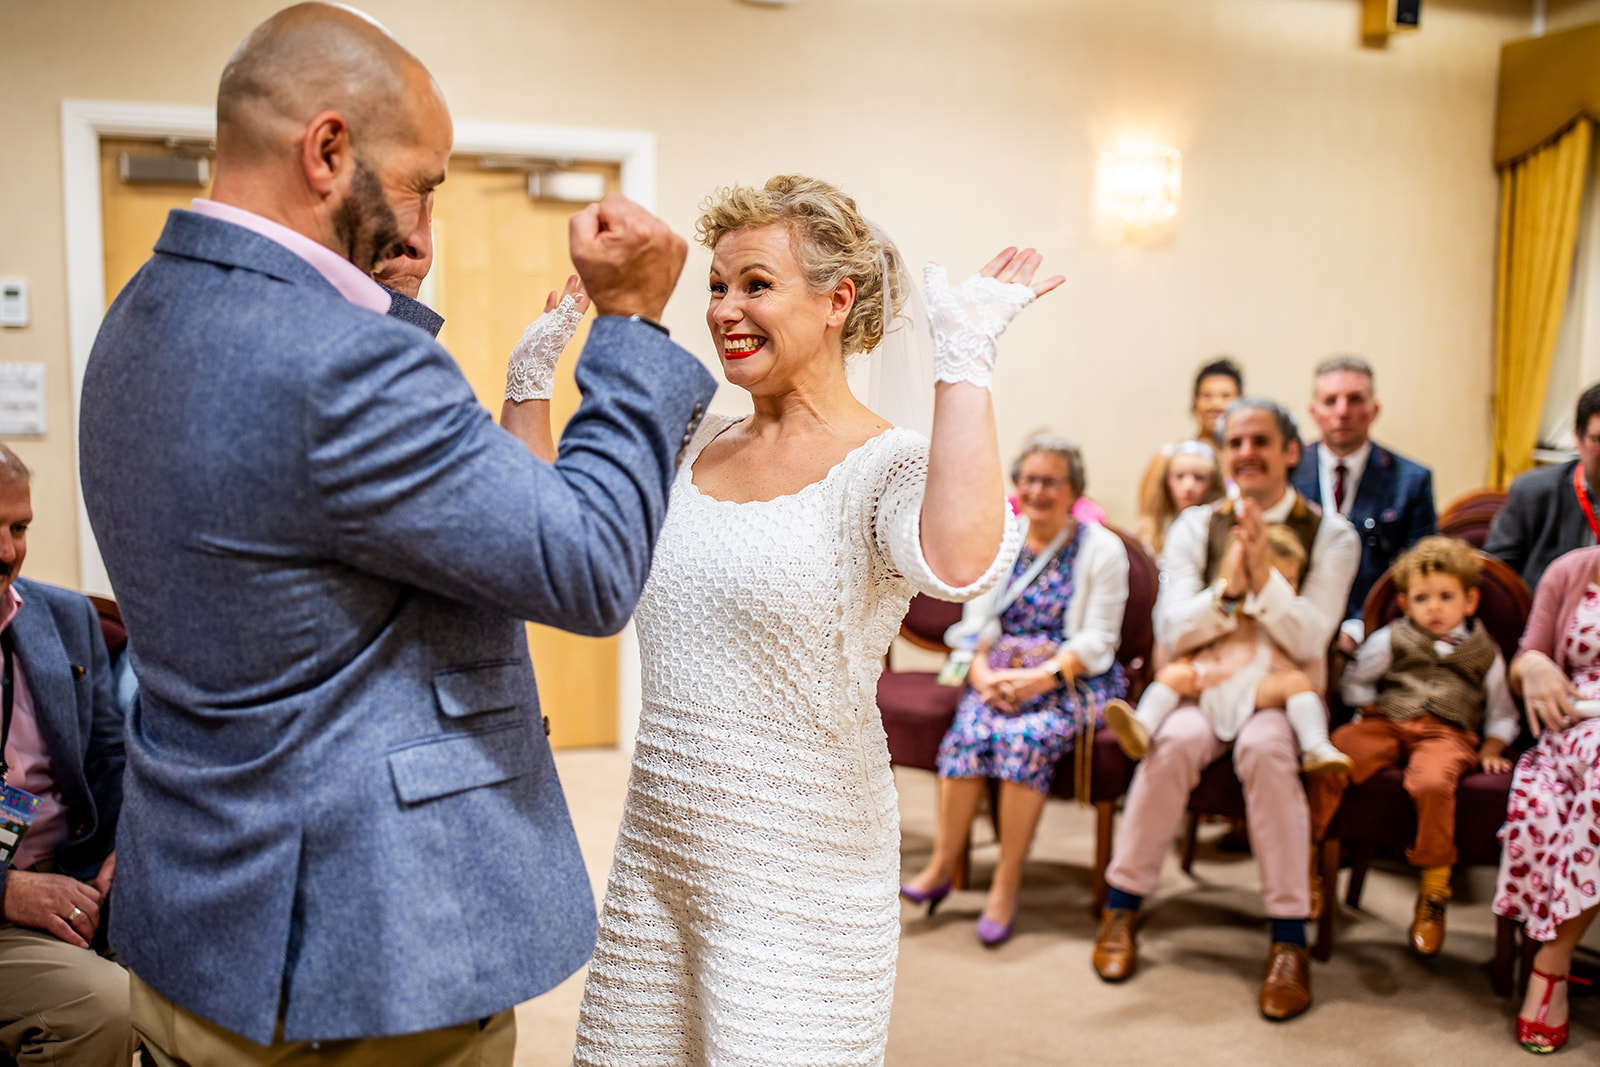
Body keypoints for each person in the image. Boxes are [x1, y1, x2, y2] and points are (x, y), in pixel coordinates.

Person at [77, 5, 718, 1063]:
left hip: (198, 916)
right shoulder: (339, 363)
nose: (423, 224)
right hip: (359, 953)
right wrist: (633, 327)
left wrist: (381, 296)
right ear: (328, 150)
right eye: (422, 182)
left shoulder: (142, 311)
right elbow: (592, 565)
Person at [552, 175, 1049, 1065]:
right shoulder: (691, 438)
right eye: (716, 284)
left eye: (755, 283)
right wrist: (529, 377)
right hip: (665, 845)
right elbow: (555, 538)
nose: (724, 309)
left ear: (836, 301)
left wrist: (964, 361)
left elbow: (962, 560)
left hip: (802, 861)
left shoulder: (883, 464)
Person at [1092, 397, 1358, 1023]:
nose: (1246, 454)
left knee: (1268, 752)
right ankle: (1121, 905)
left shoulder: (1332, 534)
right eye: (1235, 442)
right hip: (1201, 681)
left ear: (1291, 452)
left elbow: (1313, 636)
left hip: (1279, 686)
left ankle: (1289, 939)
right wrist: (1232, 588)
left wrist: (1264, 575)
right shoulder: (1195, 526)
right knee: (1172, 744)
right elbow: (1173, 629)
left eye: (1260, 441)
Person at [899, 435, 1129, 947]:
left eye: (1050, 481)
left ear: (1074, 490)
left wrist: (1040, 680)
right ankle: (941, 865)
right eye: (1028, 479)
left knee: (1023, 738)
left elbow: (1099, 639)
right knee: (970, 733)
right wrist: (980, 673)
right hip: (999, 675)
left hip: (1072, 679)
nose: (1037, 490)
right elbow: (976, 622)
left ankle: (1006, 881)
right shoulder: (1002, 539)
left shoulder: (1102, 548)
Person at [1306, 536, 1518, 957]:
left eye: (1446, 596)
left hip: (1448, 732)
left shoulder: (1486, 652)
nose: (1434, 607)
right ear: (1404, 603)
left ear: (1470, 601)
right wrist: (1367, 712)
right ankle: (1309, 861)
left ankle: (1434, 892)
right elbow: (1358, 681)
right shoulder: (1391, 638)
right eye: (1422, 598)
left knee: (1433, 785)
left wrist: (1493, 746)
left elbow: (1503, 711)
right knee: (1333, 759)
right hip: (1387, 721)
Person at [0, 447, 134, 1067]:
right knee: (104, 1005)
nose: (7, 552)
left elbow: (114, 765)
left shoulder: (67, 618)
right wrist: (8, 891)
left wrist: (127, 849)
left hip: (76, 883)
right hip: (13, 904)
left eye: (19, 527)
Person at [1104, 525, 1351, 774]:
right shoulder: (1226, 604)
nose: (1285, 588)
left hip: (1262, 681)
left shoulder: (1285, 613)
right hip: (1215, 675)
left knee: (1297, 682)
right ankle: (1142, 728)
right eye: (1276, 579)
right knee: (1172, 676)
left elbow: (1306, 645)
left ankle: (1316, 745)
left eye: (1291, 580)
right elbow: (1181, 633)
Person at [1492, 545, 1600, 1054]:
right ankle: (1553, 964)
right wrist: (1532, 664)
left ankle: (1550, 963)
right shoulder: (1570, 569)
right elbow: (1524, 660)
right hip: (1574, 725)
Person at [1291, 355, 1436, 650]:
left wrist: (1360, 626)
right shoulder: (1286, 474)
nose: (1342, 411)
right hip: (1296, 627)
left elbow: (1420, 574)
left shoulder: (1411, 480)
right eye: (1331, 401)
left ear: (1374, 410)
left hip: (1378, 631)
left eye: (1355, 399)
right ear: (1314, 412)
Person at [1485, 379, 1600, 595]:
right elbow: (1496, 578)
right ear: (1578, 438)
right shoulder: (1532, 492)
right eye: (1599, 440)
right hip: (1550, 618)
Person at [1136, 357, 1244, 520]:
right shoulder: (1168, 456)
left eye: (1225, 396)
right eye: (1207, 396)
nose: (1215, 404)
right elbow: (1148, 519)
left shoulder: (1245, 459)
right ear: (1195, 402)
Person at [1135, 439, 1225, 556]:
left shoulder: (1220, 528)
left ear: (1213, 483)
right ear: (1167, 481)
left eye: (1199, 478)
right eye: (1179, 476)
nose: (1188, 486)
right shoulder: (1149, 529)